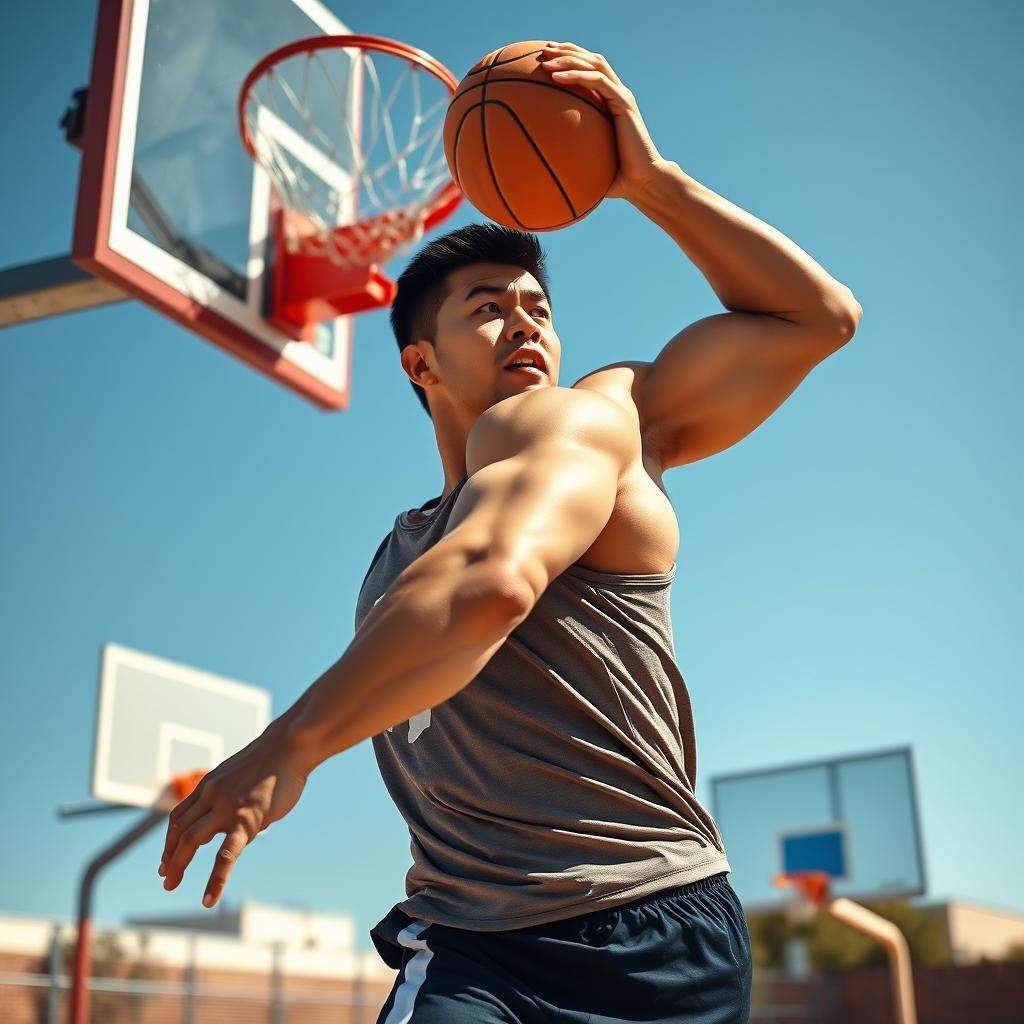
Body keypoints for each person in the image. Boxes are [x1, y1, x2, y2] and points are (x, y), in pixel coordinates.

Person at [157, 41, 862, 1023]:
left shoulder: (593, 415)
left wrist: (650, 184)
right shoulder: (398, 549)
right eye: (489, 309)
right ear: (419, 363)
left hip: (641, 915)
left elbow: (815, 317)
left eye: (538, 307)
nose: (526, 323)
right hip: (482, 938)